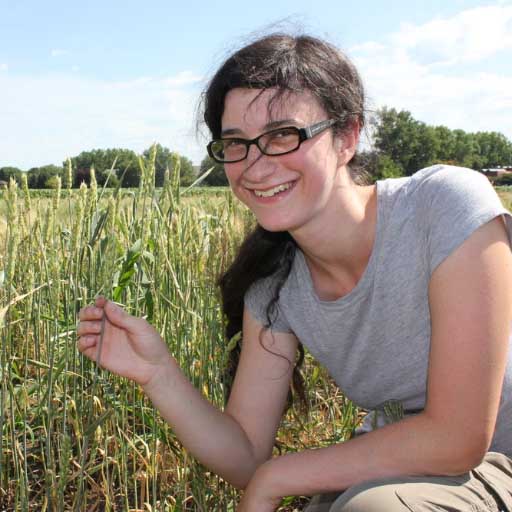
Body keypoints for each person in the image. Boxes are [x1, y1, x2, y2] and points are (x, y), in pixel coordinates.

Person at [77, 33, 512, 511]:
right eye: (235, 143)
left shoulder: (442, 207)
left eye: (283, 134)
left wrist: (274, 479)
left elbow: (458, 439)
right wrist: (158, 373)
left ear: (347, 136)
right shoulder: (276, 287)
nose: (256, 166)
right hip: (403, 470)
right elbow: (245, 454)